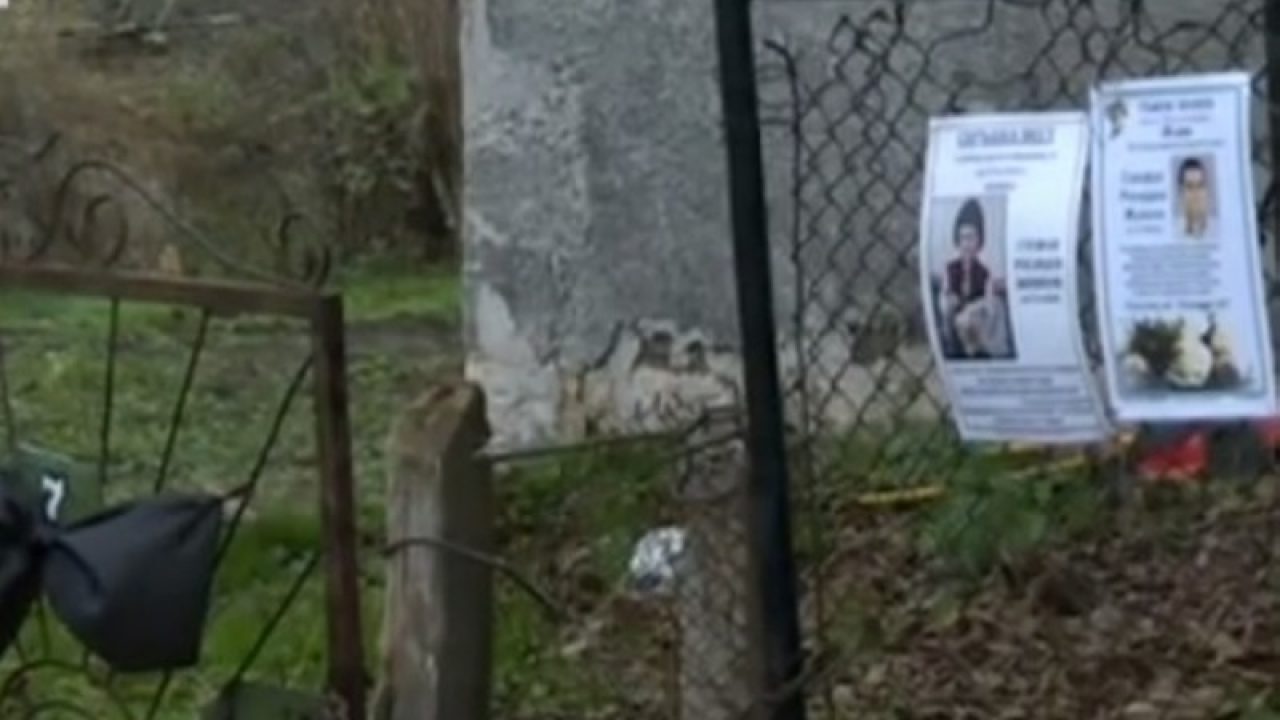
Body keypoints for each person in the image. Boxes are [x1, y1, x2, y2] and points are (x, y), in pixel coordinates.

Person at [938, 198, 1012, 359]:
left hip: (976, 325)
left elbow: (990, 307)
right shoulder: (950, 269)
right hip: (955, 323)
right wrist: (950, 301)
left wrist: (973, 309)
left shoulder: (985, 272)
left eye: (971, 238)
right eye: (963, 238)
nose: (966, 244)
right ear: (957, 240)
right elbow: (944, 297)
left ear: (979, 241)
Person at [1174, 156, 1215, 241]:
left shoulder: (1218, 229)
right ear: (1180, 192)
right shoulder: (1174, 233)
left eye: (1200, 186)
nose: (1196, 194)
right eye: (1189, 186)